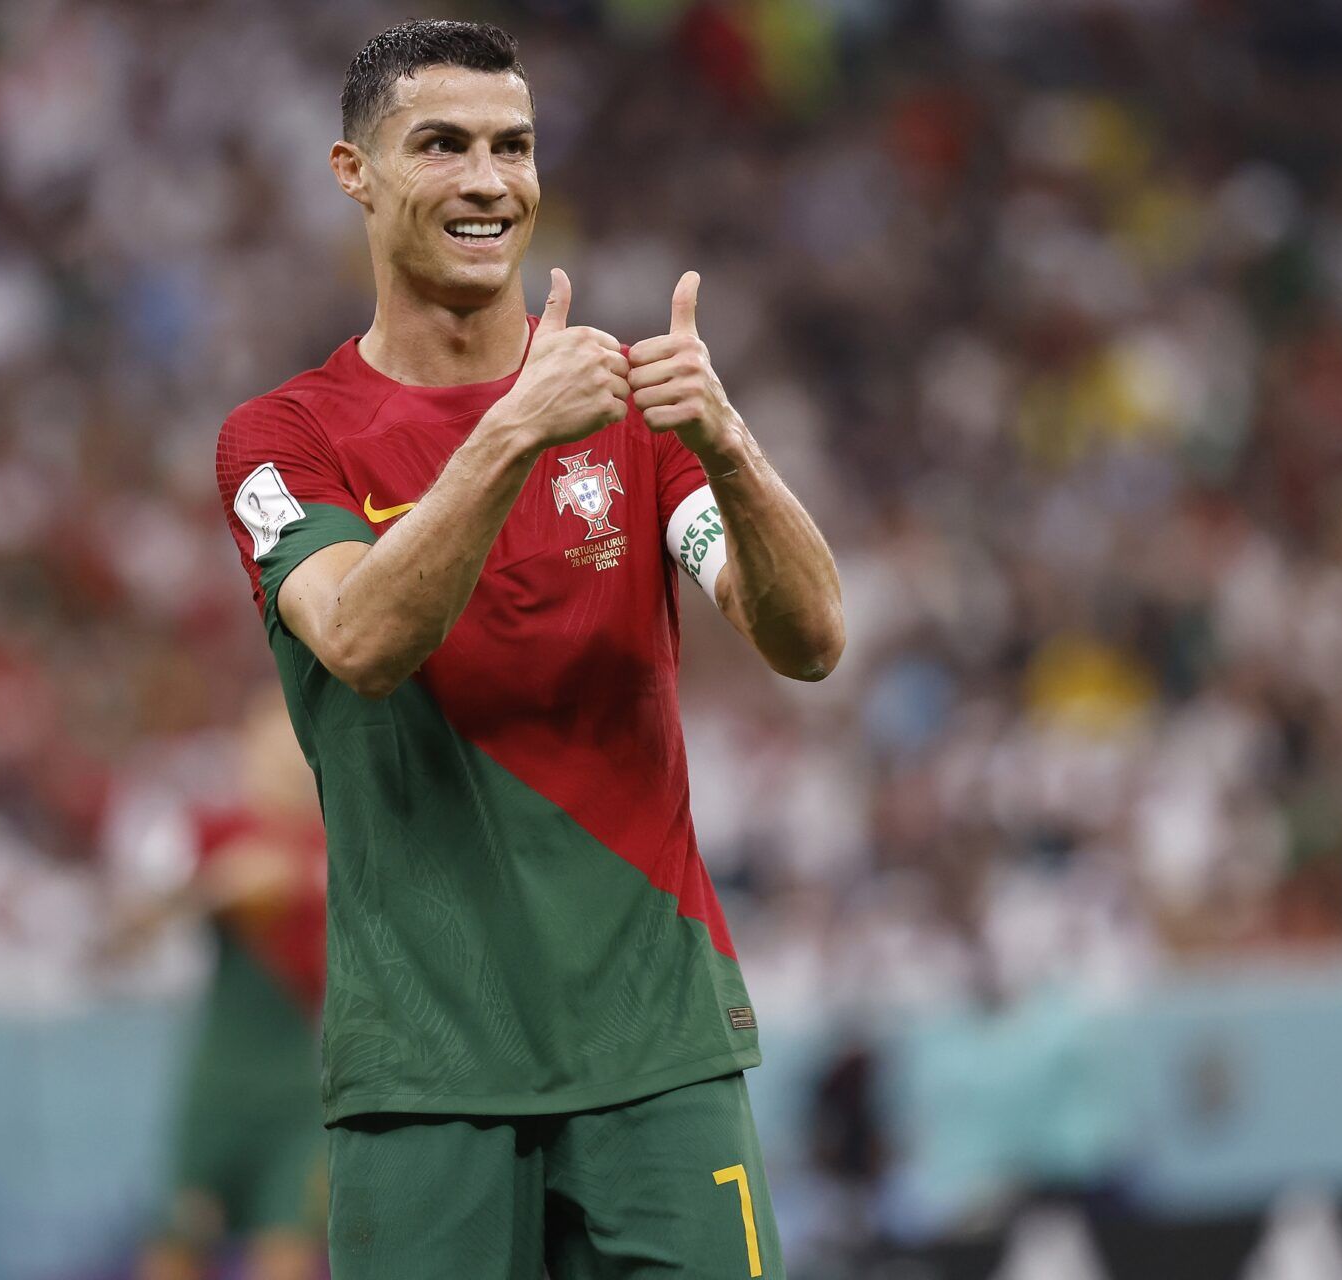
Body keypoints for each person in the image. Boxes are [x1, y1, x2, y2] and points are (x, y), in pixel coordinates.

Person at [212, 19, 843, 1279]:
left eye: (514, 146)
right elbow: (361, 636)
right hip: (424, 1074)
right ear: (354, 171)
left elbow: (809, 637)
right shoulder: (283, 441)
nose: (488, 180)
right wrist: (509, 434)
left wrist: (728, 445)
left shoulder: (629, 416)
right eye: (440, 144)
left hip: (657, 1056)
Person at [97, 701, 328, 1280]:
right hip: (219, 1087)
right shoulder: (208, 832)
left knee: (286, 1258)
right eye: (274, 743)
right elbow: (120, 937)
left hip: (303, 1089)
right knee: (174, 1251)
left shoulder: (341, 839)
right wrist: (212, 889)